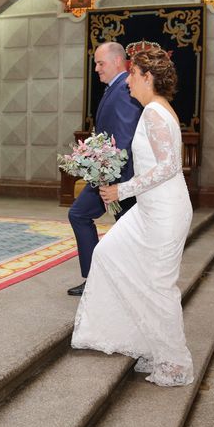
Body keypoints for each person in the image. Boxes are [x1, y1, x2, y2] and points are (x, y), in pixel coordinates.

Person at [71, 47, 194, 387]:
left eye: (134, 76)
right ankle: (144, 340)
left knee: (159, 286)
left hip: (165, 212)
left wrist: (121, 191)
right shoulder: (152, 109)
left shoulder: (155, 112)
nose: (128, 83)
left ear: (148, 77)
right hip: (148, 210)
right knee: (109, 254)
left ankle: (174, 363)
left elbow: (169, 168)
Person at [66, 42, 142, 296]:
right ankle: (99, 279)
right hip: (106, 173)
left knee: (122, 229)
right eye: (96, 63)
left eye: (101, 63)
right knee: (83, 215)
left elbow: (124, 138)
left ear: (119, 61)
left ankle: (112, 281)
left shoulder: (123, 89)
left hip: (118, 176)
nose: (96, 69)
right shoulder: (114, 88)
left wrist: (116, 181)